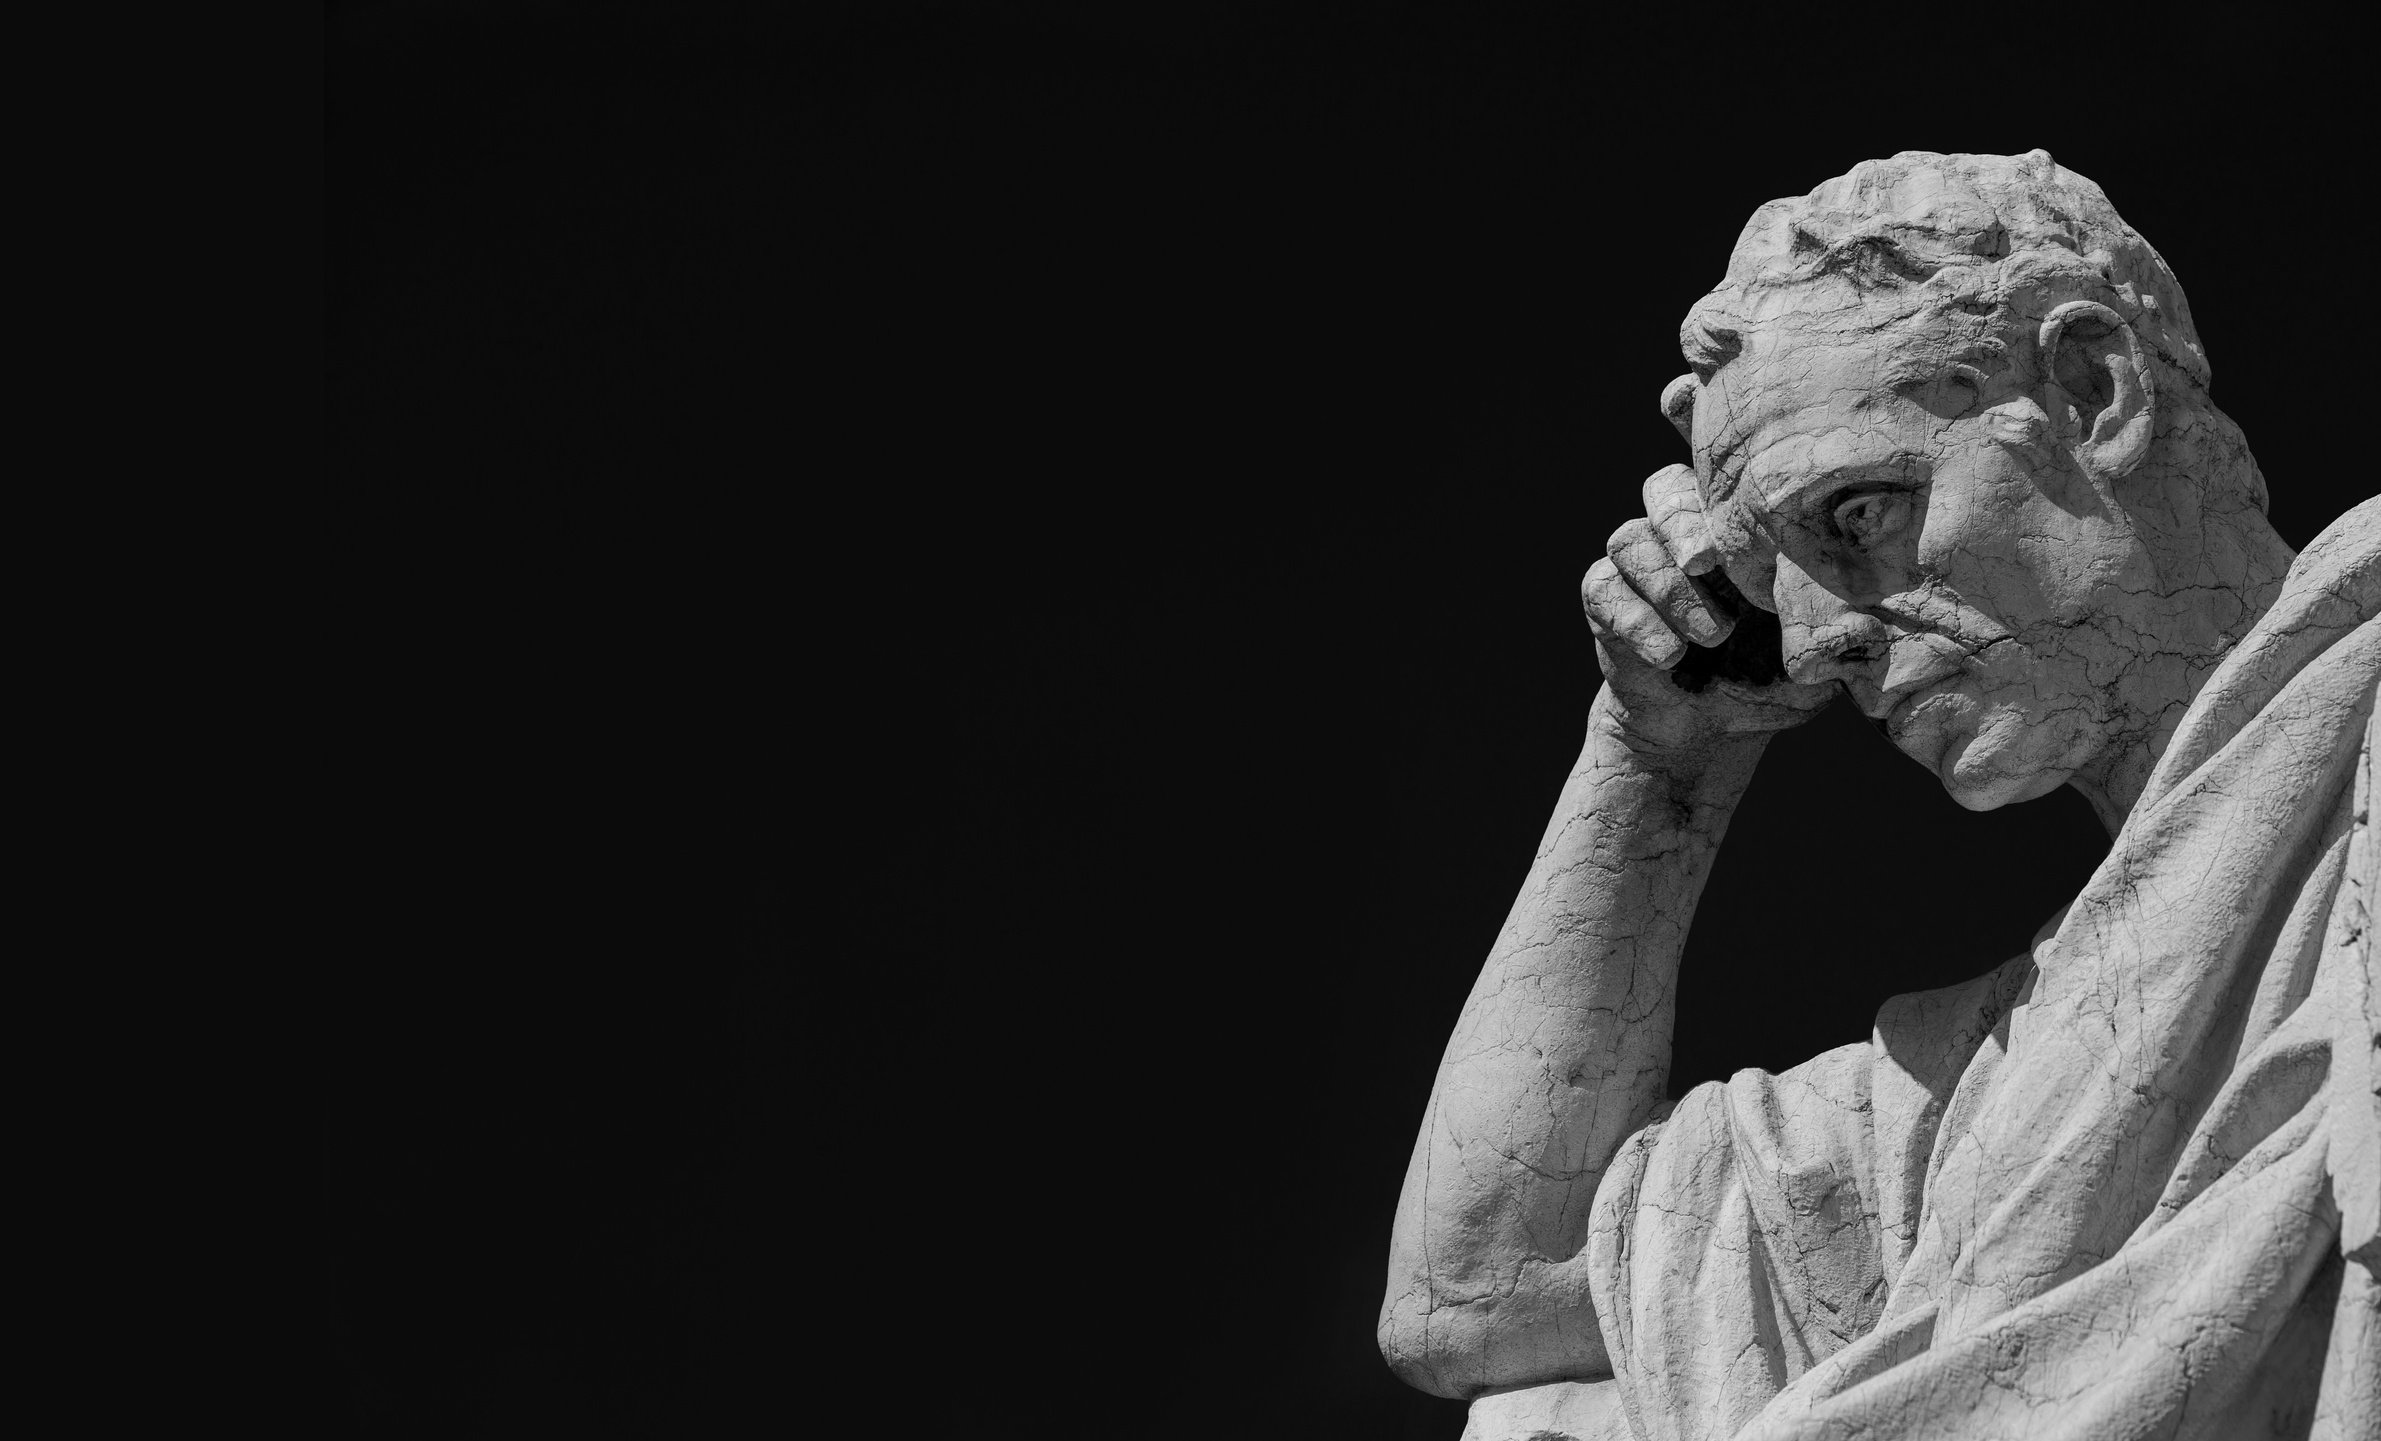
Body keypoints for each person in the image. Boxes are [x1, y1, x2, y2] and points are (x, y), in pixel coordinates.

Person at [1379, 150, 2378, 1441]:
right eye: (1763, 577)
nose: (1807, 644)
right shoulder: (1977, 1101)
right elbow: (1471, 1298)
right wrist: (1652, 750)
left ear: (2090, 390)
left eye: (1855, 511)